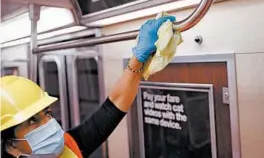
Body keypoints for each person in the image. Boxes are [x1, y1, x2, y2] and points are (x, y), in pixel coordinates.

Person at [0, 15, 176, 158]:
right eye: (33, 121)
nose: (49, 124)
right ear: (11, 145)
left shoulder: (68, 147)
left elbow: (114, 105)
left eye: (47, 113)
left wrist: (139, 57)